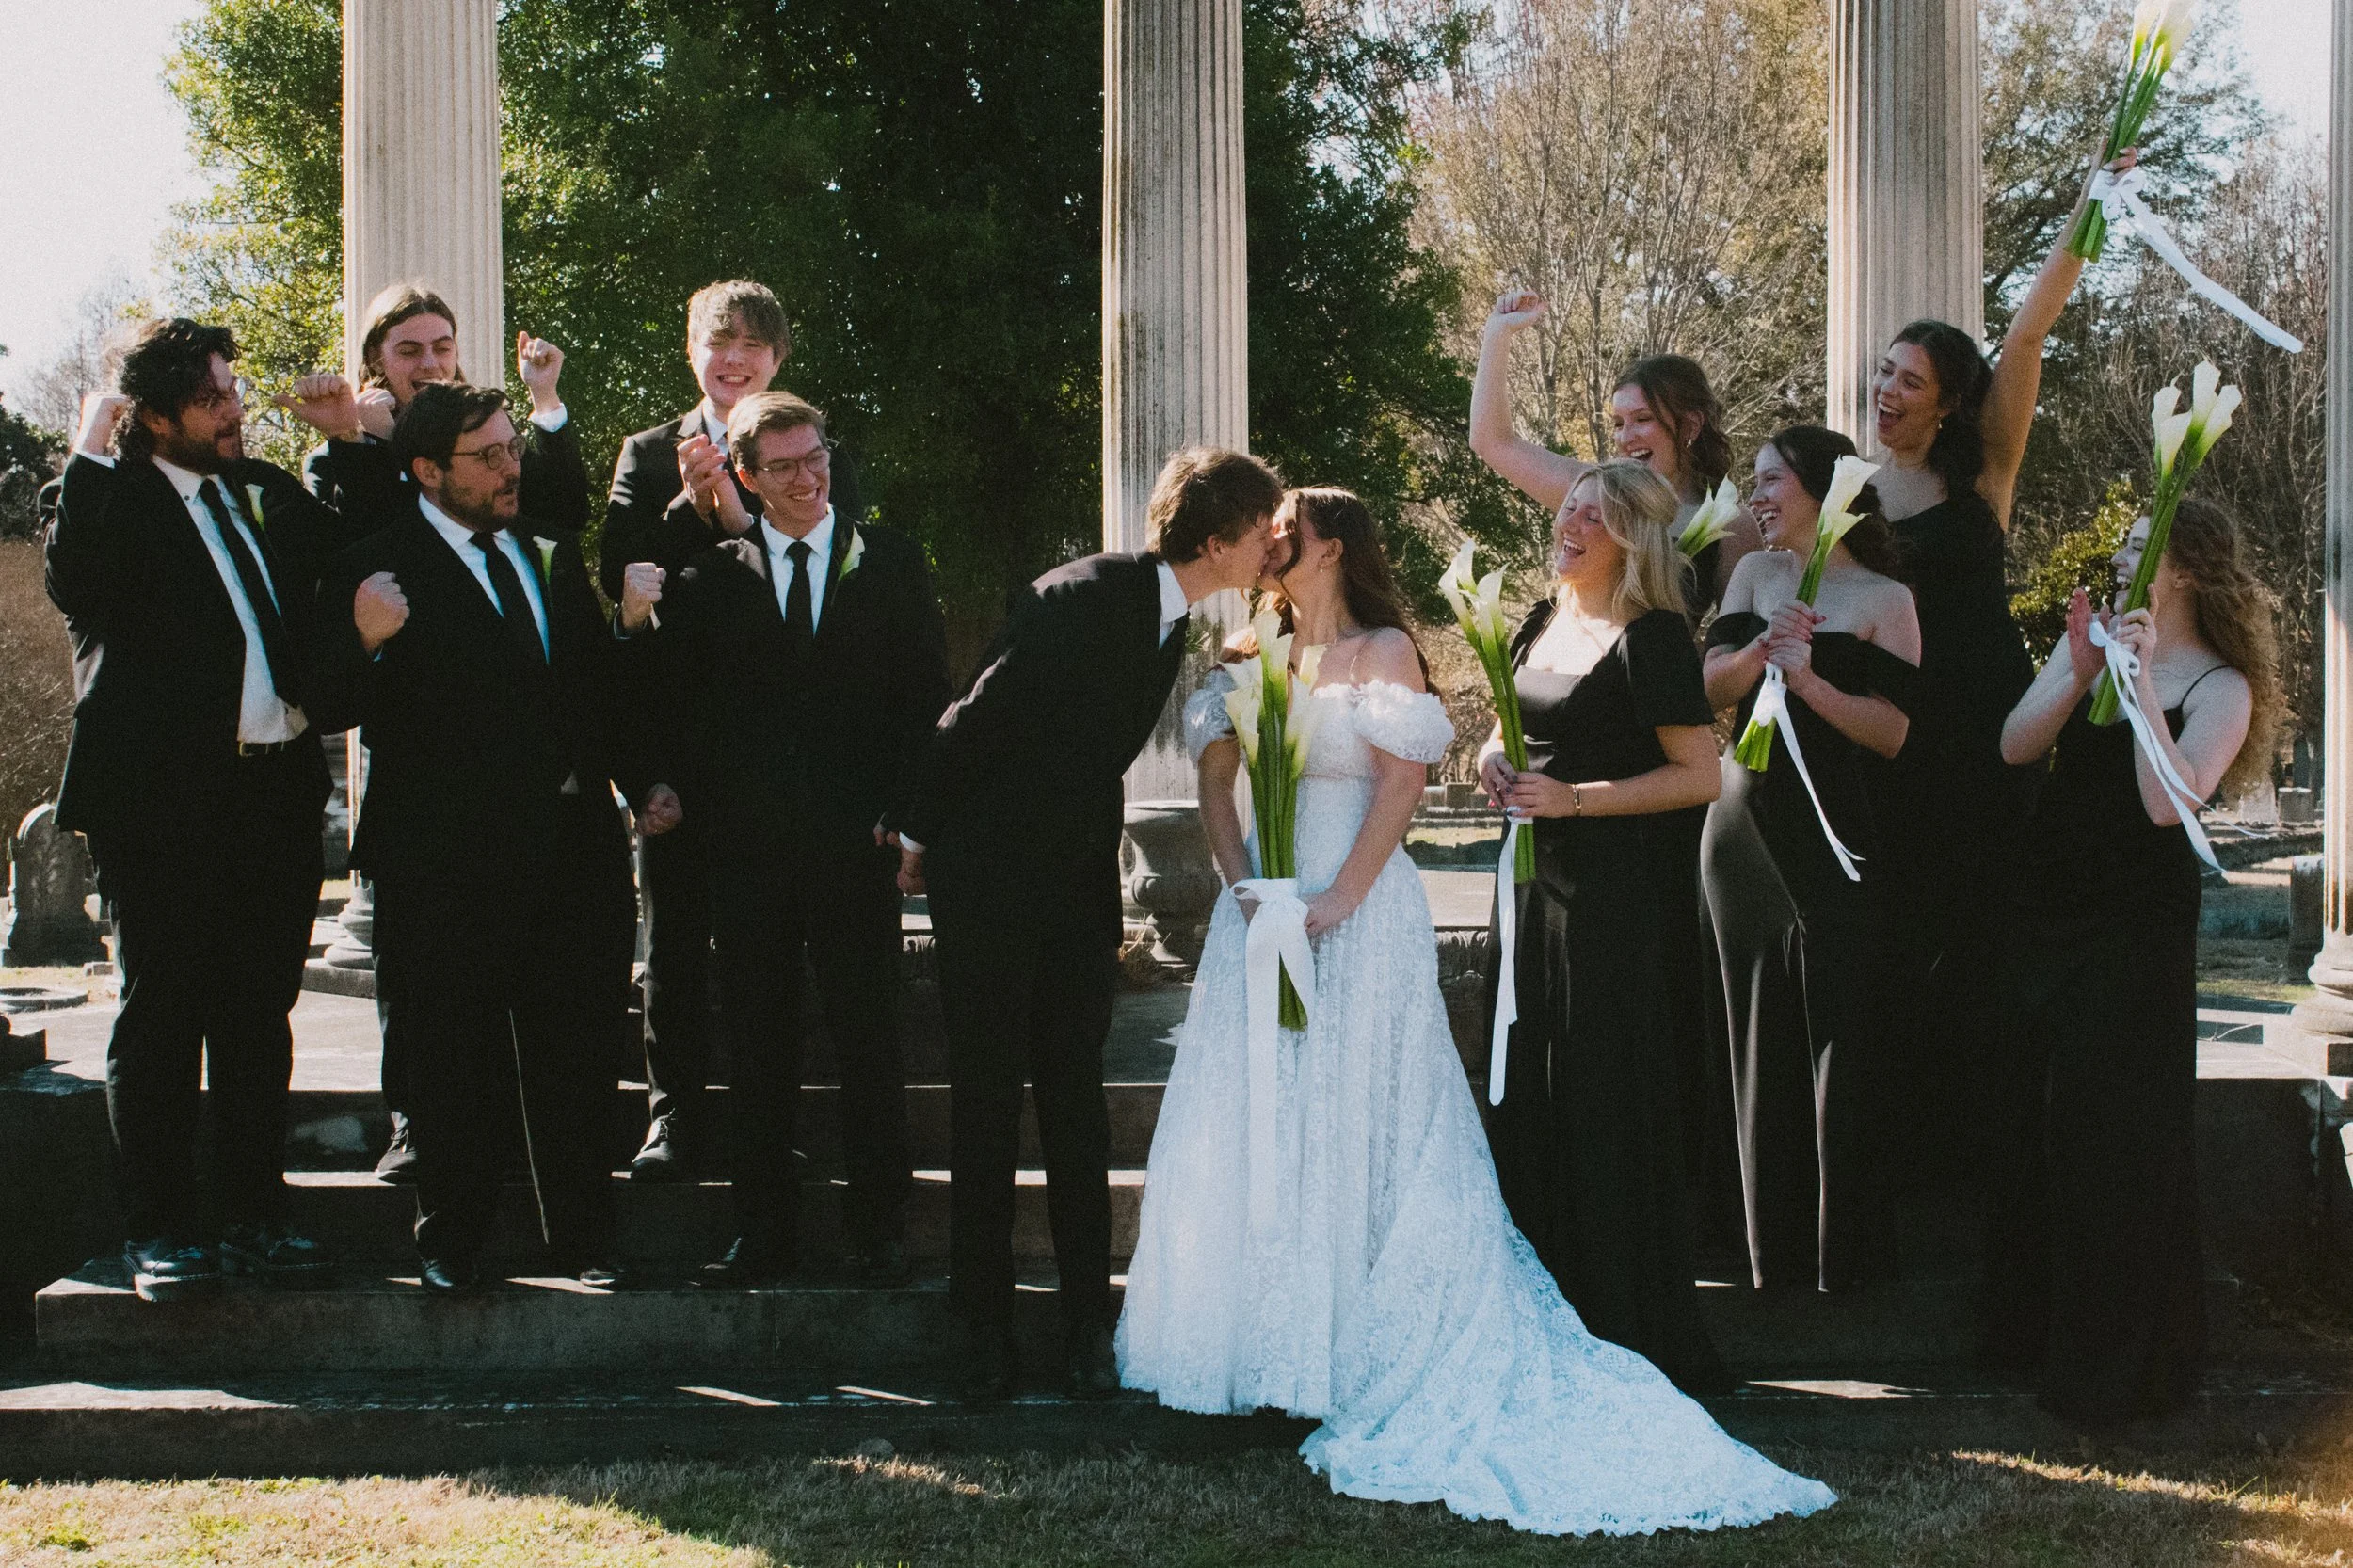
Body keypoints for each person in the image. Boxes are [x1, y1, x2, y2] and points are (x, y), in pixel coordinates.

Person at [1118, 485, 1833, 1534]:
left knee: (1365, 1113)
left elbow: (1401, 793)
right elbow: (1219, 788)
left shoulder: (1389, 653)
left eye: (1286, 535)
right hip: (1263, 914)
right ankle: (1256, 1339)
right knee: (1262, 1119)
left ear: (1333, 548)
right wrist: (1246, 893)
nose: (1269, 547)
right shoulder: (1241, 654)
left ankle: (1366, 1338)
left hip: (1355, 909)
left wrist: (1336, 904)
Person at [888, 447, 1280, 1402]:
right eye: (1265, 530)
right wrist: (915, 832)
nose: (1275, 544)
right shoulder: (1082, 594)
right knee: (985, 1103)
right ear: (1218, 538)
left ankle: (1084, 1328)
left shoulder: (1171, 618)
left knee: (1074, 1104)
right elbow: (972, 719)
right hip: (986, 883)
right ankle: (982, 1331)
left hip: (1071, 889)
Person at [309, 384, 673, 1293]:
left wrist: (643, 777)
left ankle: (585, 1239)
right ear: (428, 471)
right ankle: (453, 1243)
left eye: (513, 448)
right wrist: (362, 639)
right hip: (445, 861)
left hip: (571, 851)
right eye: (491, 457)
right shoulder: (373, 565)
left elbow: (590, 690)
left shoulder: (546, 555)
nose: (513, 469)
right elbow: (328, 702)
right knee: (451, 1056)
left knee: (577, 1051)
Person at [47, 319, 360, 1303]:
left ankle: (256, 1213)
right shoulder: (109, 498)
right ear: (151, 417)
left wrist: (347, 440)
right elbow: (74, 582)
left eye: (233, 387)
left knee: (257, 1017)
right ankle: (160, 1231)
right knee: (165, 1012)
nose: (237, 406)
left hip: (273, 792)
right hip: (164, 803)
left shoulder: (262, 493)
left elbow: (358, 543)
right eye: (215, 395)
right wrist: (90, 451)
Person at [277, 281, 593, 1186]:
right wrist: (349, 440)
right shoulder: (359, 460)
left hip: (530, 796)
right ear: (379, 359)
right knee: (426, 993)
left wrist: (544, 408)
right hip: (426, 773)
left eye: (442, 346)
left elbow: (556, 514)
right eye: (409, 349)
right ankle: (419, 1129)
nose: (429, 362)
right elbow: (343, 593)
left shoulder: (495, 461)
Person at [637, 391, 950, 1288]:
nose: (809, 478)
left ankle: (880, 1229)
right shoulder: (712, 575)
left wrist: (902, 806)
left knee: (869, 1038)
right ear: (746, 476)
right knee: (759, 1043)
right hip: (750, 857)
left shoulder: (888, 559)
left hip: (858, 849)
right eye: (784, 468)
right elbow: (686, 713)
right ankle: (762, 1231)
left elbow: (926, 698)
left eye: (816, 458)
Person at [1866, 152, 2136, 1180]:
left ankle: (1994, 1160)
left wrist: (2087, 205)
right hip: (1895, 745)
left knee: (1988, 937)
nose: (1886, 389)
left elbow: (2027, 330)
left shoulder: (1985, 473)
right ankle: (1905, 1157)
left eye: (1909, 379)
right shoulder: (1844, 494)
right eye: (1883, 372)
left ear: (1946, 404)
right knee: (1901, 940)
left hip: (1990, 739)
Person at [1980, 499, 2272, 1424]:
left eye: (2140, 551)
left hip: (2135, 925)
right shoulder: (2095, 646)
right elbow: (2012, 743)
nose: (2120, 561)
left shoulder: (2221, 686)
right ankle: (2027, 1338)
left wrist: (2140, 680)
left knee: (2119, 1135)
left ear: (2184, 569)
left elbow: (2164, 803)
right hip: (2050, 905)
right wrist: (2075, 669)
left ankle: (2119, 1367)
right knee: (2038, 1125)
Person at [1475, 460, 1730, 1395]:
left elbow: (1698, 775)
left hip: (1613, 899)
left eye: (1594, 513)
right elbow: (1505, 728)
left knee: (1600, 1095)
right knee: (1531, 1090)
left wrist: (1573, 800)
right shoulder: (1545, 617)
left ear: (1633, 537)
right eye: (1569, 507)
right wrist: (1495, 765)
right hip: (1533, 890)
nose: (1569, 522)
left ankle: (1619, 1319)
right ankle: (1542, 1303)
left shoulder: (1653, 638)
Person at [598, 280, 859, 1182]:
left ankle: (767, 1120)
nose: (734, 358)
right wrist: (688, 504)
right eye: (719, 342)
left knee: (772, 955)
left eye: (752, 344)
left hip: (781, 757)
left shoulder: (818, 448)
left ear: (777, 358)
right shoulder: (644, 452)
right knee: (672, 941)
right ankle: (672, 1118)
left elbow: (829, 562)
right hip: (683, 745)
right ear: (692, 353)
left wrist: (743, 513)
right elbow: (621, 582)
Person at [1701, 428, 1919, 1292]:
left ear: (1825, 492)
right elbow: (1709, 684)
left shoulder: (1888, 598)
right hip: (1742, 827)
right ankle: (1768, 1258)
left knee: (1840, 1031)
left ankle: (1844, 1262)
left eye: (1770, 481)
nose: (1755, 496)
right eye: (1751, 482)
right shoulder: (1753, 576)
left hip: (1835, 832)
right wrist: (1761, 651)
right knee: (1753, 1030)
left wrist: (1812, 678)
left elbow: (1894, 734)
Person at [1470, 294, 1762, 613]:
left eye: (1642, 419)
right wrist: (1497, 334)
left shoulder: (1731, 523)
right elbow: (1492, 442)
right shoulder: (1593, 494)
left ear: (1690, 426)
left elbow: (1733, 640)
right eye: (1618, 423)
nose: (1625, 437)